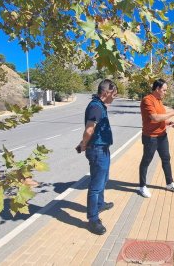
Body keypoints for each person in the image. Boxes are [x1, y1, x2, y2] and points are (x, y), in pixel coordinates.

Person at [78, 79, 117, 235]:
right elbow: (89, 130)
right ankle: (93, 220)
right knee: (96, 186)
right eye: (114, 94)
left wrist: (83, 143)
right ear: (106, 92)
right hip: (97, 150)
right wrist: (84, 144)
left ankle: (100, 204)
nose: (114, 97)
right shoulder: (95, 107)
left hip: (103, 149)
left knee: (104, 179)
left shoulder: (100, 106)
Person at [138, 78, 174, 198]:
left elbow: (161, 118)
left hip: (162, 135)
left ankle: (170, 183)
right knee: (146, 161)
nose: (165, 92)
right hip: (150, 137)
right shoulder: (147, 100)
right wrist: (173, 112)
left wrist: (169, 122)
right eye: (164, 90)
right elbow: (155, 118)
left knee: (166, 158)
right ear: (157, 89)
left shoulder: (159, 100)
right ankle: (142, 186)